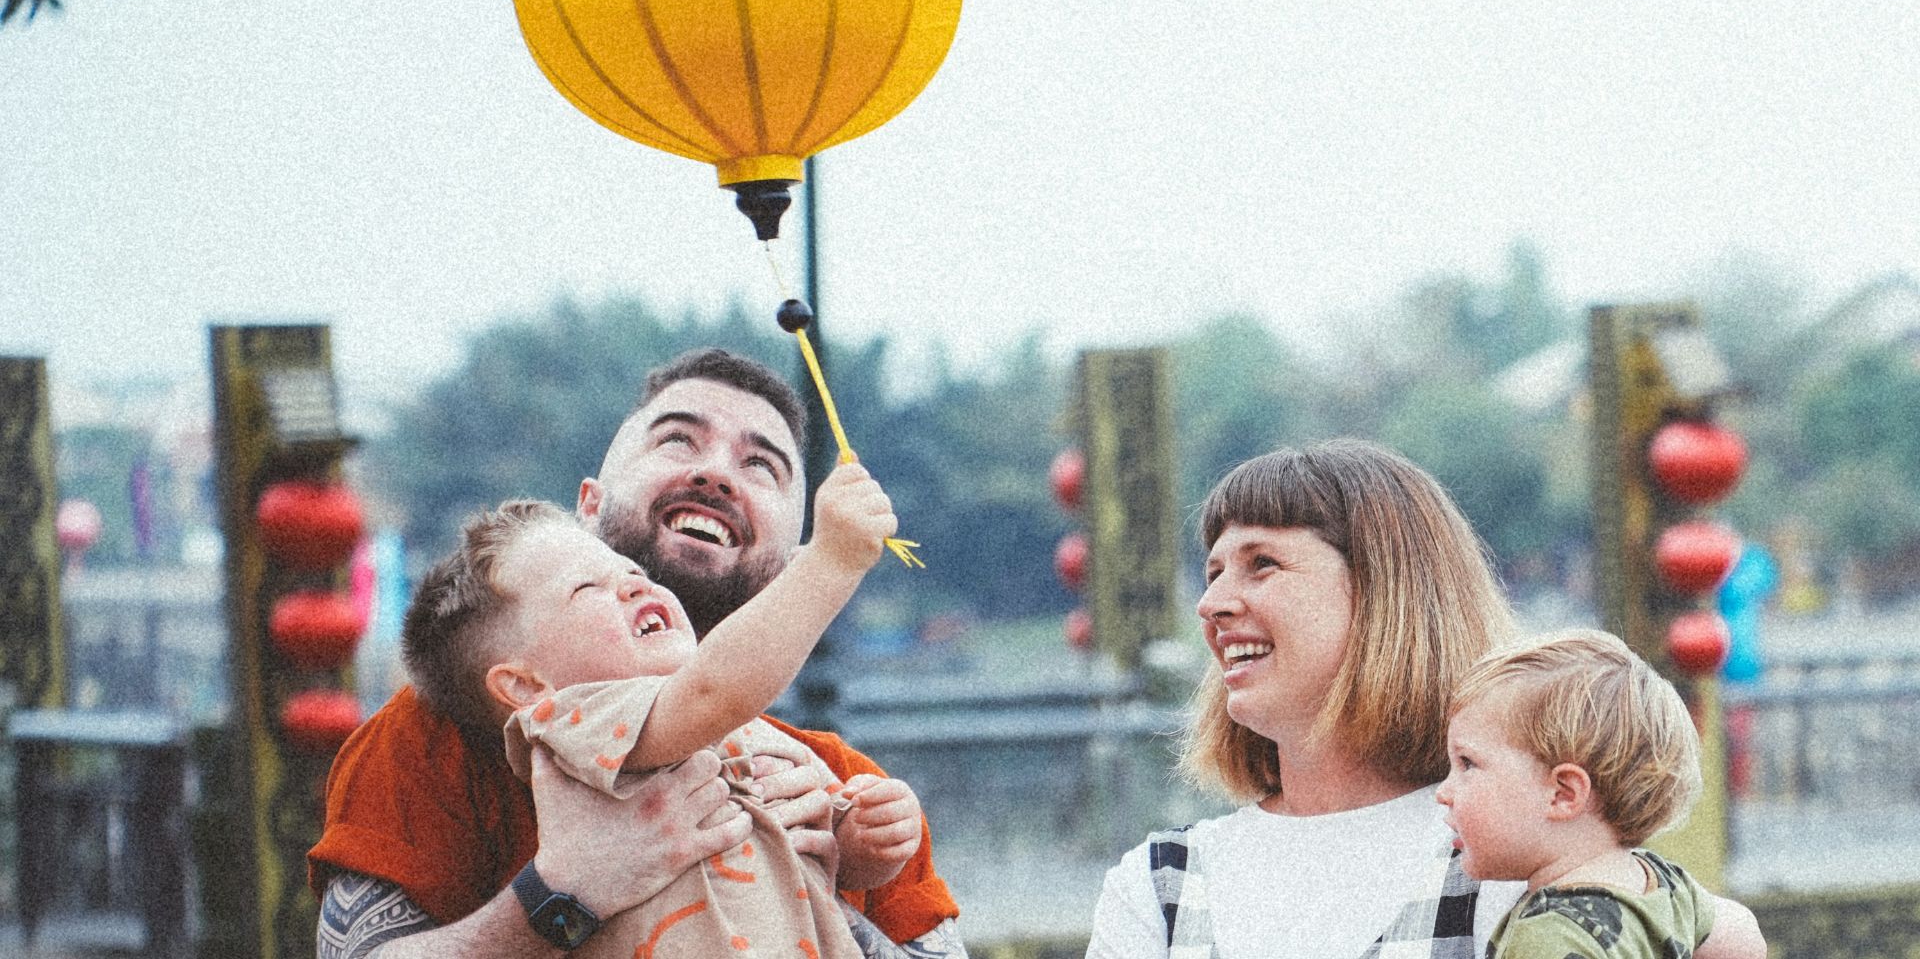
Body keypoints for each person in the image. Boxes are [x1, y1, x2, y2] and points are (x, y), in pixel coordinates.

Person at [311, 349, 963, 957]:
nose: (716, 474)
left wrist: (830, 872)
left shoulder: (838, 779)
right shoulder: (441, 732)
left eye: (761, 465)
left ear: (788, 568)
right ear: (586, 509)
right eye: (678, 439)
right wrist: (561, 893)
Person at [1085, 440, 1762, 959]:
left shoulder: (1520, 851)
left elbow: (1731, 935)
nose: (1211, 604)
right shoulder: (1157, 885)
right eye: (1212, 572)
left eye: (1263, 564)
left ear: (1387, 593)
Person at [413, 463, 908, 956]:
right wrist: (831, 559)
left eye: (633, 572)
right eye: (587, 589)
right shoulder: (570, 721)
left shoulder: (745, 727)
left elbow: (826, 865)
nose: (634, 586)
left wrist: (862, 837)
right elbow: (711, 692)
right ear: (525, 686)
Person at [1438, 629, 1714, 959]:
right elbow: (1744, 944)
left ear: (1563, 794)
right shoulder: (1664, 883)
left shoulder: (1549, 939)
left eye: (1467, 763)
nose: (1444, 792)